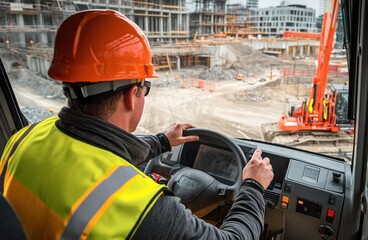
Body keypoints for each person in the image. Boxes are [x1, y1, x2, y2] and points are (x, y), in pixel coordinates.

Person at [0, 9, 274, 239]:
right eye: (145, 88)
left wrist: (161, 142)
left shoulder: (23, 138)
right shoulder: (141, 206)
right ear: (133, 95)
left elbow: (93, 151)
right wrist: (252, 187)